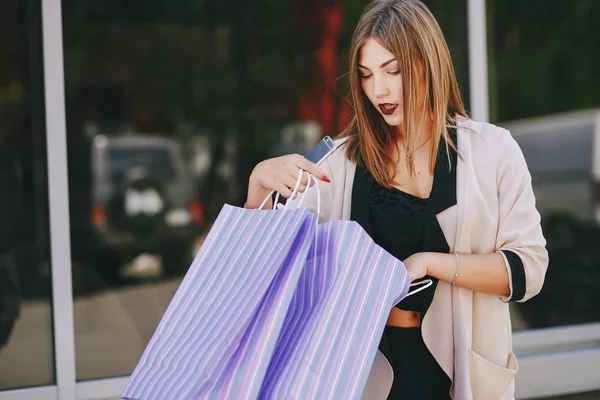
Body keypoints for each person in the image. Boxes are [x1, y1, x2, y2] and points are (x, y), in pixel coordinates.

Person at [245, 0, 548, 398]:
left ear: (429, 62)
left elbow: (528, 270)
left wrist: (430, 264)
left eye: (394, 70)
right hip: (360, 376)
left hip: (459, 376)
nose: (379, 90)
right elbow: (264, 271)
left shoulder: (492, 151)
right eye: (367, 75)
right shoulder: (339, 163)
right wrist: (257, 187)